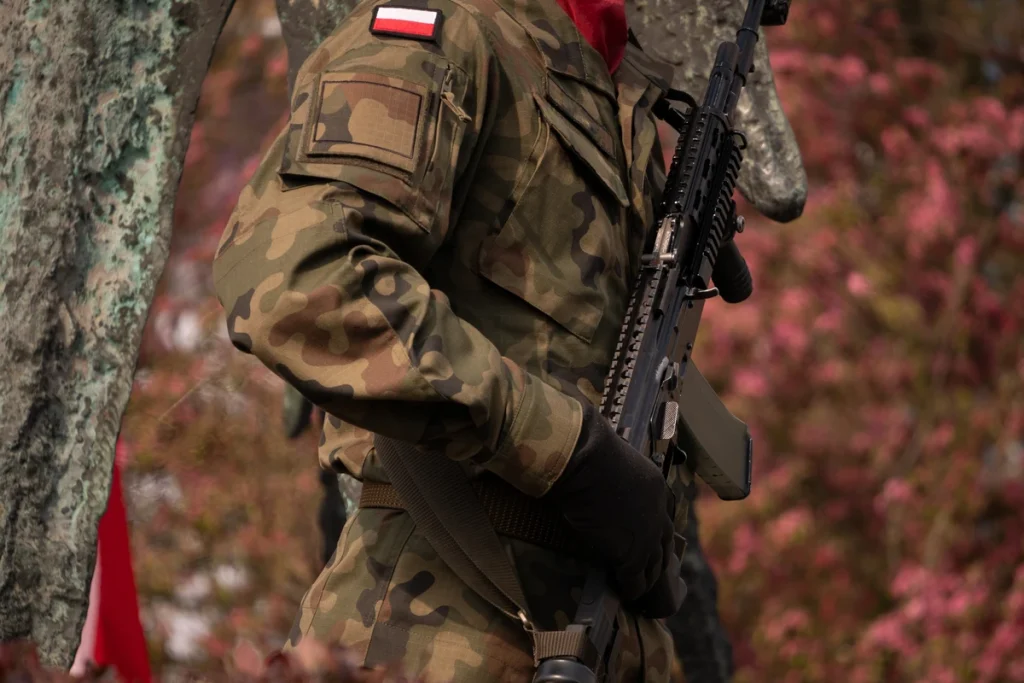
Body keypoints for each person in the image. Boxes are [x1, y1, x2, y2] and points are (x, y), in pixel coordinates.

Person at [214, 0, 698, 678]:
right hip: (436, 632)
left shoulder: (618, 91)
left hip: (612, 636)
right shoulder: (454, 30)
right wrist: (568, 449)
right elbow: (296, 276)